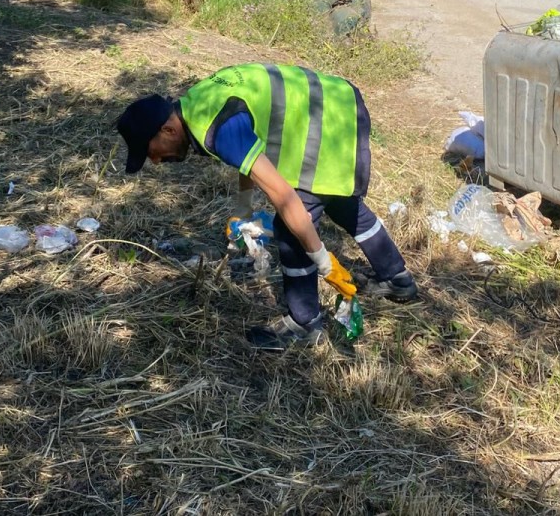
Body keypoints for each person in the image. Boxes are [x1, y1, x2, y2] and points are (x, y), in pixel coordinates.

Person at [116, 64, 417, 350]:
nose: (155, 161)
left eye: (149, 151)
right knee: (339, 202)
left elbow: (283, 195)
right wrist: (244, 208)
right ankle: (396, 277)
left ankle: (304, 322)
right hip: (339, 102)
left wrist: (324, 262)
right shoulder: (198, 105)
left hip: (326, 120)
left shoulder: (215, 128)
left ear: (168, 130)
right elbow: (248, 148)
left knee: (290, 230)